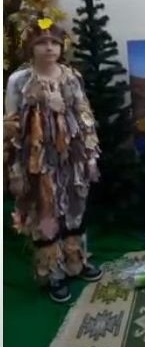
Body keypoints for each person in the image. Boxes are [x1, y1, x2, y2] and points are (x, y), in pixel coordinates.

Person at [4, 17, 102, 302]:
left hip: (72, 159)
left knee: (75, 207)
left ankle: (75, 260)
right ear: (30, 47)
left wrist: (90, 156)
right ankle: (53, 272)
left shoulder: (71, 77)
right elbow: (11, 126)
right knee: (46, 213)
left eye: (54, 43)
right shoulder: (19, 81)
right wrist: (15, 171)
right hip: (38, 162)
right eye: (42, 43)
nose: (49, 48)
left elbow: (84, 116)